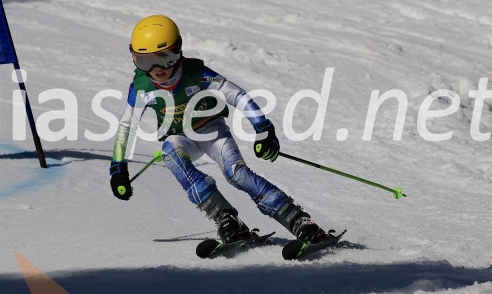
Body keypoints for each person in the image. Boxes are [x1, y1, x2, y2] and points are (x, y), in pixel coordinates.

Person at [109, 14, 330, 244]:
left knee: (236, 174)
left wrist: (263, 129)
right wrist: (118, 169)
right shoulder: (141, 88)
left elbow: (237, 95)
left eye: (165, 58)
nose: (156, 69)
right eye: (145, 61)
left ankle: (297, 219)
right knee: (171, 154)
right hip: (180, 138)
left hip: (211, 130)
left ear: (178, 50)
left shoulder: (196, 73)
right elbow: (126, 126)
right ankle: (226, 219)